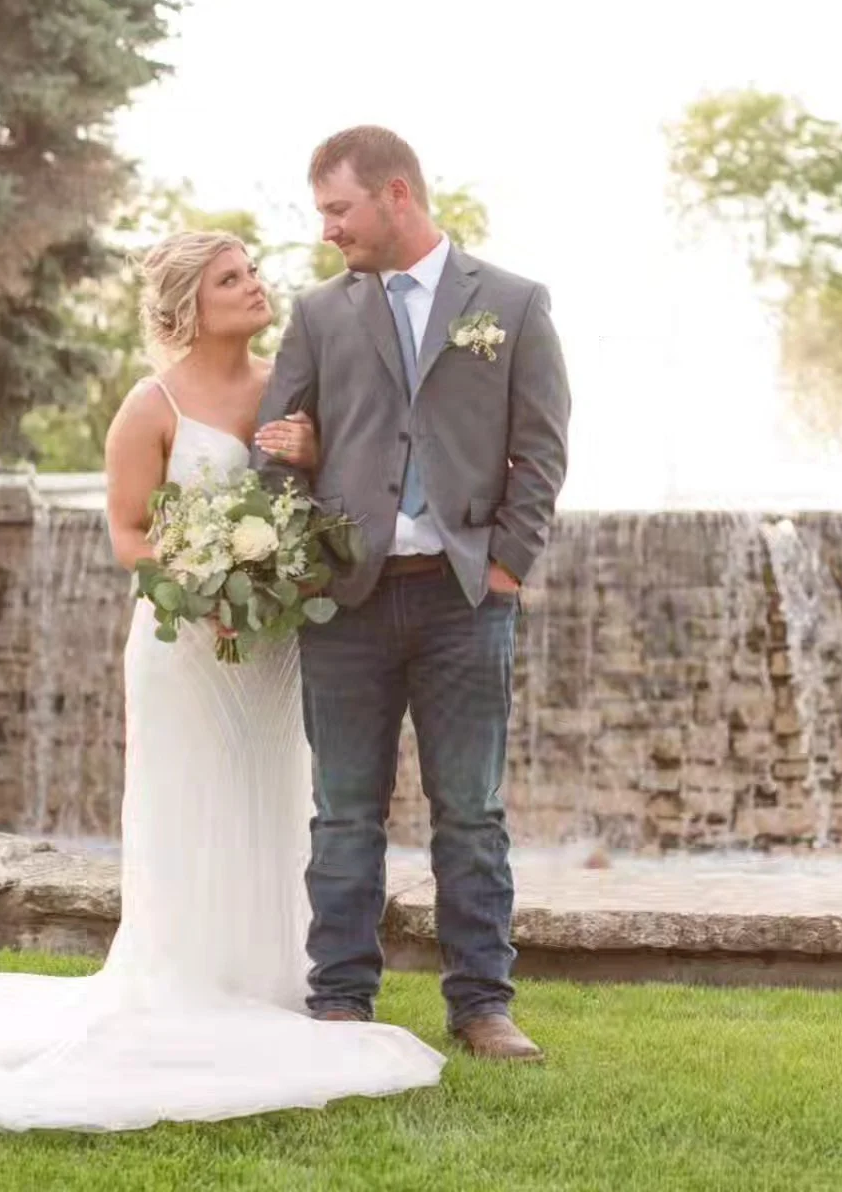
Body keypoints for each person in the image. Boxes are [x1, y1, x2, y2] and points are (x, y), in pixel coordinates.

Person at [0, 231, 443, 1133]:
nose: (253, 285)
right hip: (184, 643)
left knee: (272, 795)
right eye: (230, 278)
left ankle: (277, 983)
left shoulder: (288, 383)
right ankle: (186, 981)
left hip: (270, 645)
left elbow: (325, 496)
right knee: (188, 802)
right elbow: (127, 531)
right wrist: (199, 587)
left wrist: (307, 469)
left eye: (251, 272)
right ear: (188, 306)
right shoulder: (148, 406)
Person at [254, 126, 570, 1062]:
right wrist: (300, 556)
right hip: (344, 603)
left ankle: (482, 1006)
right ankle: (340, 1000)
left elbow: (541, 447)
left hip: (462, 599)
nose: (327, 231)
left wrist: (506, 564)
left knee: (469, 811)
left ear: (397, 195)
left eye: (338, 210)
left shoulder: (510, 304)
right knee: (343, 811)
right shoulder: (317, 313)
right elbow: (276, 440)